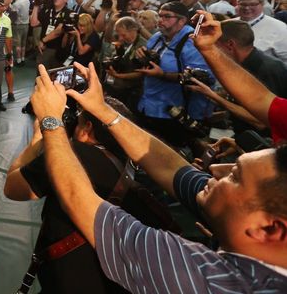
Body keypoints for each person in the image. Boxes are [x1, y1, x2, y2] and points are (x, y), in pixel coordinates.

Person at [29, 62, 287, 293]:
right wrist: (102, 110)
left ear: (270, 228)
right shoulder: (250, 219)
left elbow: (79, 200)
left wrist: (51, 122)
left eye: (234, 177)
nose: (216, 171)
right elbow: (171, 167)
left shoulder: (206, 281)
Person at [5, 97, 173, 294]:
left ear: (87, 129)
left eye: (78, 120)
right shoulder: (139, 167)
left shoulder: (69, 156)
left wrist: (38, 139)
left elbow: (12, 187)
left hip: (65, 283)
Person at [192, 10, 287, 143]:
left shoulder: (268, 69)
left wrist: (212, 95)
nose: (216, 49)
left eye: (216, 45)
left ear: (230, 45)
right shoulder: (245, 63)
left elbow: (261, 121)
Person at [135, 1, 214, 146]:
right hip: (148, 105)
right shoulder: (157, 37)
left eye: (166, 17)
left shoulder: (192, 42)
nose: (161, 20)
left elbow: (200, 80)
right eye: (159, 16)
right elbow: (150, 61)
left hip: (173, 113)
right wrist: (141, 55)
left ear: (182, 20)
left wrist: (162, 75)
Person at [103, 16, 147, 114]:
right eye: (119, 35)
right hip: (117, 88)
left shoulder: (142, 47)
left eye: (123, 35)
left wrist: (118, 76)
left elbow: (141, 73)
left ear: (133, 29)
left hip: (131, 92)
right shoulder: (123, 42)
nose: (121, 38)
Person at [235, 0, 287, 64]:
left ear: (262, 4)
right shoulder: (229, 24)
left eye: (253, 4)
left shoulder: (279, 27)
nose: (247, 8)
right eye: (243, 4)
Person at [38, 0, 71, 68]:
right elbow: (34, 23)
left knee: (54, 76)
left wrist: (43, 41)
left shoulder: (68, 13)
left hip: (57, 49)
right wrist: (36, 6)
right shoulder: (47, 9)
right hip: (43, 48)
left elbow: (58, 31)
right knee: (40, 74)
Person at [11, 0, 31, 66]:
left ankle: (18, 60)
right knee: (23, 43)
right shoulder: (27, 0)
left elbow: (14, 16)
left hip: (18, 25)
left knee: (17, 44)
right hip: (26, 25)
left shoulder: (16, 4)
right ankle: (23, 59)